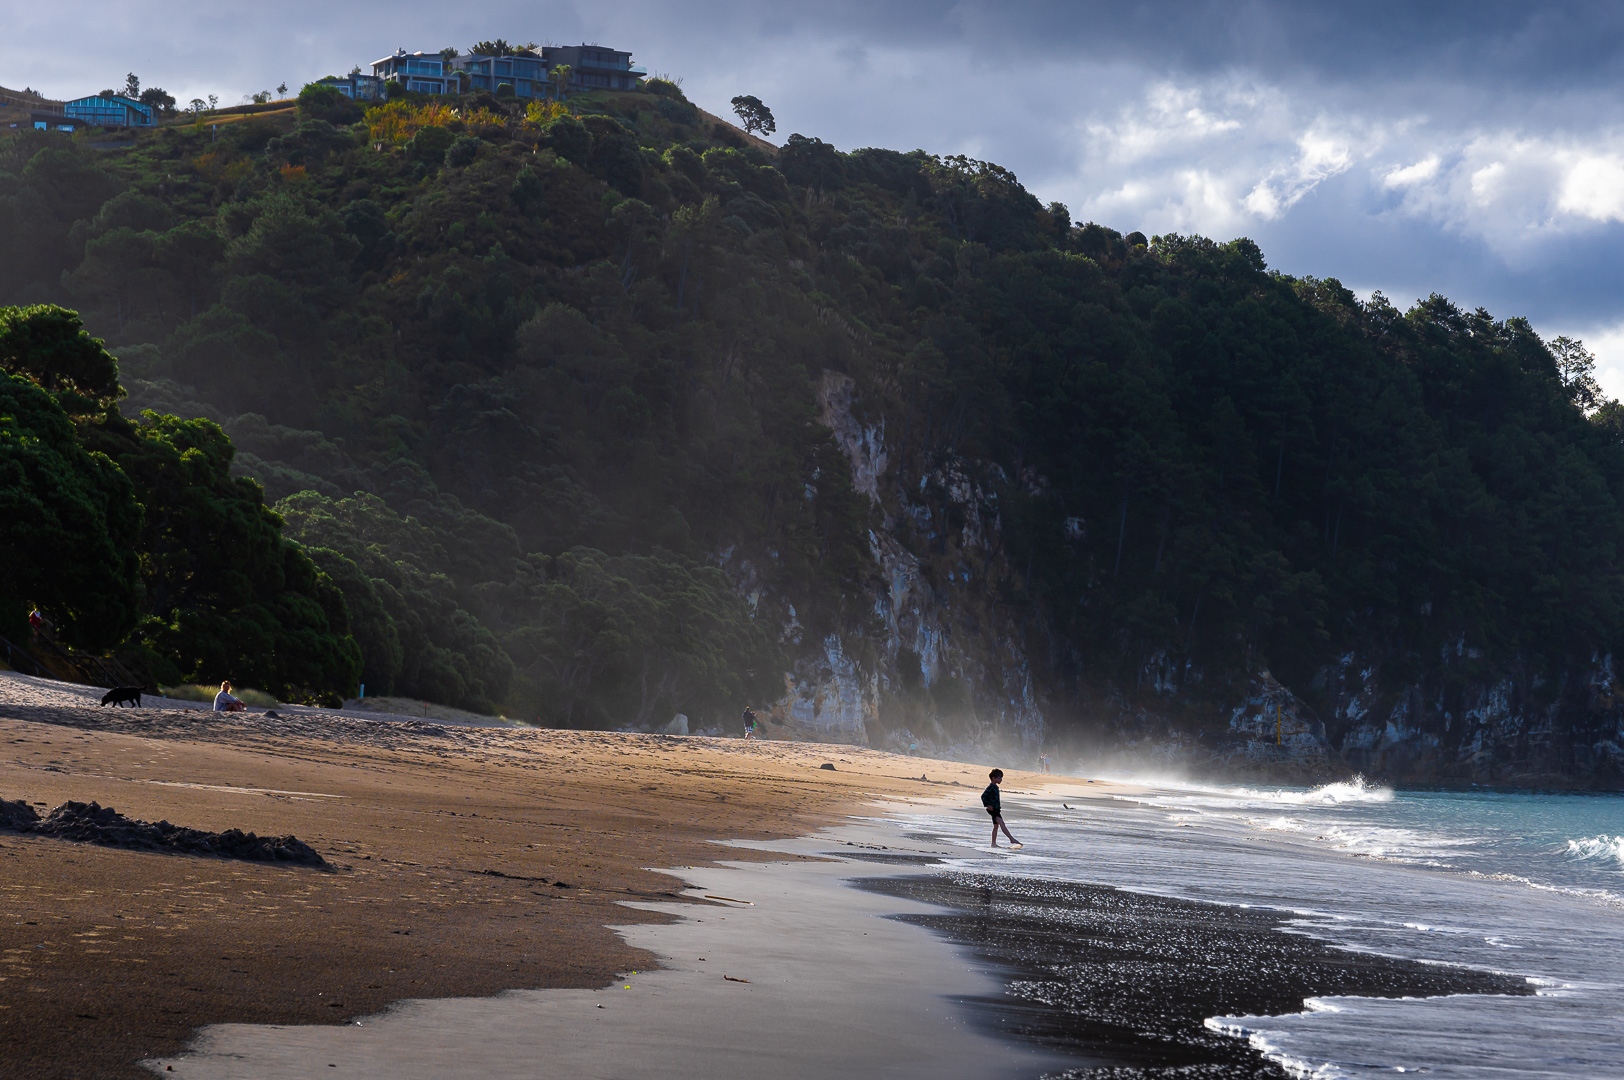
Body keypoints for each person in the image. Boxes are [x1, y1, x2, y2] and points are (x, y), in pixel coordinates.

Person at [981, 768, 1022, 848]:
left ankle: (993, 844)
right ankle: (1011, 839)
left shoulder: (995, 787)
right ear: (993, 778)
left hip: (996, 809)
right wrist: (988, 805)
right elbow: (983, 796)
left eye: (1001, 778)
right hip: (992, 809)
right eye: (999, 778)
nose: (1001, 779)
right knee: (1002, 823)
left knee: (996, 826)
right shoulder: (991, 787)